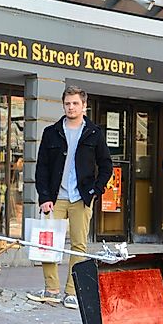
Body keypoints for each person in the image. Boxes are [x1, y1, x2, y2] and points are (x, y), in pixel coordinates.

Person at [35, 86, 112, 309]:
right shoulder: (52, 132)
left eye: (75, 103)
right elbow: (42, 167)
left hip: (81, 197)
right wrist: (44, 197)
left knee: (79, 245)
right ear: (63, 105)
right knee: (47, 244)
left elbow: (106, 165)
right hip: (55, 198)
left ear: (83, 105)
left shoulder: (94, 133)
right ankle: (51, 289)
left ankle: (71, 292)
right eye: (68, 103)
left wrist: (95, 191)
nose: (71, 107)